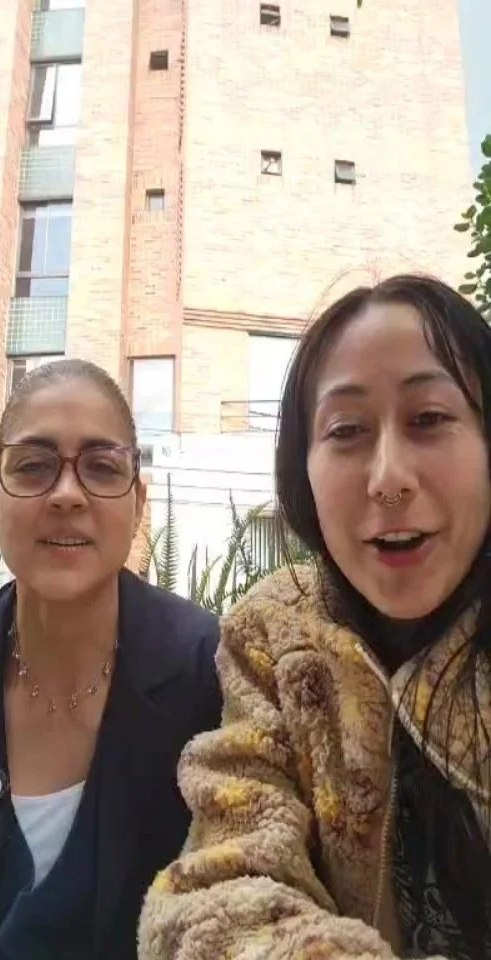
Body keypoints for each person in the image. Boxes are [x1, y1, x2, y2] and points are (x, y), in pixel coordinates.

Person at [140, 274, 491, 960]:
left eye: (428, 419)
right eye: (346, 431)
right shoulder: (276, 636)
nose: (388, 477)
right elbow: (221, 888)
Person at [0, 359, 221, 959]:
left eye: (101, 467)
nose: (67, 494)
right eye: (33, 466)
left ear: (138, 502)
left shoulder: (212, 676)